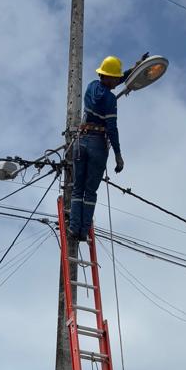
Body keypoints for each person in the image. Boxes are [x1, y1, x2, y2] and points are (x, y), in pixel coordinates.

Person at [68, 55, 134, 244]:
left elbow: (114, 80)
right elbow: (112, 128)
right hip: (97, 144)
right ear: (109, 78)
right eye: (115, 78)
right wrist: (118, 155)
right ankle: (83, 231)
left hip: (81, 141)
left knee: (77, 189)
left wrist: (133, 70)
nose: (117, 82)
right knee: (90, 192)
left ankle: (73, 227)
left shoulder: (91, 86)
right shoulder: (110, 99)